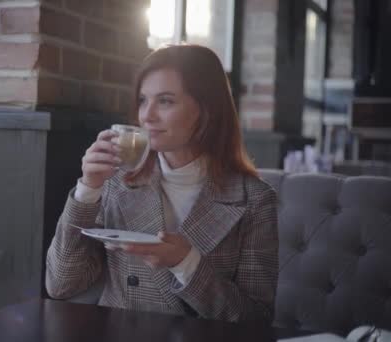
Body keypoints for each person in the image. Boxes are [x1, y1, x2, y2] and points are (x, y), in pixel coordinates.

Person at [45, 44, 278, 323]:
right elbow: (60, 284)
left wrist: (186, 264)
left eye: (165, 101)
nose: (147, 115)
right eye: (143, 100)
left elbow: (256, 321)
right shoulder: (117, 183)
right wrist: (88, 189)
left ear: (207, 110)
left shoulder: (254, 200)